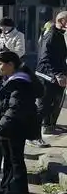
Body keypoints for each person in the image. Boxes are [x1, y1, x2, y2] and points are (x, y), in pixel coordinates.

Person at [0, 51, 39, 194]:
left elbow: (15, 108)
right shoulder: (8, 79)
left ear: (11, 64)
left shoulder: (20, 82)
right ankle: (7, 188)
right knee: (9, 160)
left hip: (14, 128)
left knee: (14, 160)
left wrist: (2, 126)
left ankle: (16, 192)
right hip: (7, 129)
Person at [34, 11, 67, 142]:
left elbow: (59, 58)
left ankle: (48, 126)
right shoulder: (51, 34)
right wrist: (57, 75)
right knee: (42, 107)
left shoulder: (59, 34)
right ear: (62, 21)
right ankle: (34, 136)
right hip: (46, 77)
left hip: (56, 77)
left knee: (54, 105)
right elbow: (44, 59)